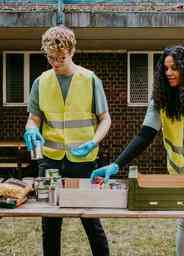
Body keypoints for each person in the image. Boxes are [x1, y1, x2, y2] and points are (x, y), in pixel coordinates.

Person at [90, 45, 184, 256]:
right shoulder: (161, 100)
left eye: (174, 68)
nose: (168, 73)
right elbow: (145, 135)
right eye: (166, 68)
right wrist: (116, 164)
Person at [24, 25, 111, 256]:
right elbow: (33, 119)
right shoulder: (40, 82)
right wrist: (31, 129)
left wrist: (93, 141)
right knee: (50, 222)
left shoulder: (89, 79)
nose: (55, 62)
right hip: (50, 160)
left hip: (83, 161)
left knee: (90, 219)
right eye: (51, 57)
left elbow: (105, 119)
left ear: (71, 51)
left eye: (61, 58)